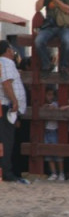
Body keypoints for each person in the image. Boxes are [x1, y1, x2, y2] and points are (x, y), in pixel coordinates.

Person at [34, 0, 69, 80]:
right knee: (38, 41)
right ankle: (46, 65)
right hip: (50, 25)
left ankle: (63, 67)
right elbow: (38, 8)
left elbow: (68, 10)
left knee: (66, 41)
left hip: (65, 24)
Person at [0, 41, 27, 182]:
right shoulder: (5, 61)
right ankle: (6, 172)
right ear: (7, 50)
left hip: (6, 106)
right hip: (5, 106)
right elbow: (6, 82)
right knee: (6, 141)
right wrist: (15, 101)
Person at [42, 87, 65, 181]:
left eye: (52, 95)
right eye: (48, 95)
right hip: (47, 131)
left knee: (58, 153)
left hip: (55, 131)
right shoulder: (44, 105)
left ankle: (61, 173)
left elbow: (53, 107)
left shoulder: (55, 104)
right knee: (48, 153)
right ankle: (54, 173)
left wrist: (48, 106)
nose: (50, 97)